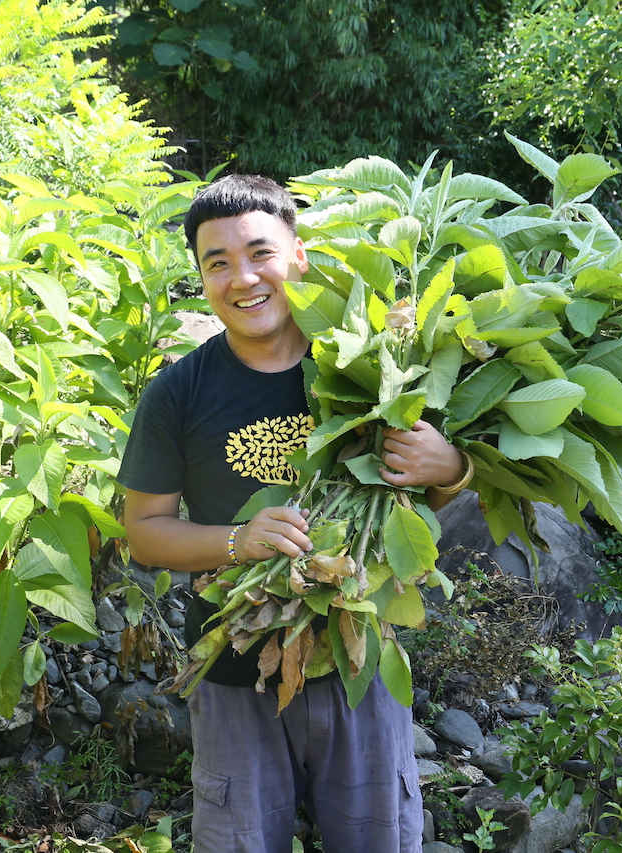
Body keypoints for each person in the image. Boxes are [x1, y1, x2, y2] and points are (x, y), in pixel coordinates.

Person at [117, 174, 469, 853]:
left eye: (260, 254)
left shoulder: (370, 365)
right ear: (200, 278)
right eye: (217, 263)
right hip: (234, 668)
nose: (242, 278)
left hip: (359, 659)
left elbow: (420, 499)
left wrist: (451, 467)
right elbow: (145, 530)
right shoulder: (177, 393)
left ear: (299, 258)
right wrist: (238, 540)